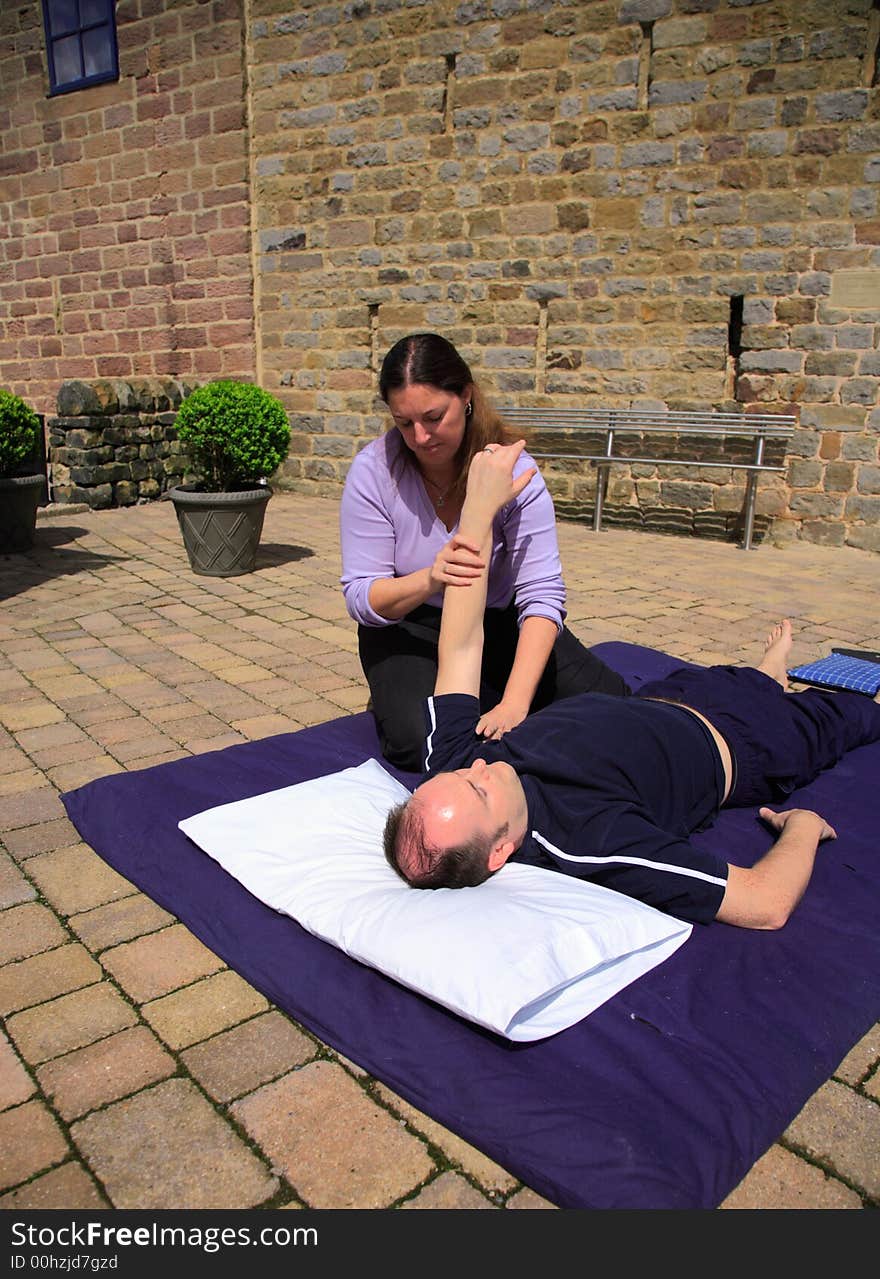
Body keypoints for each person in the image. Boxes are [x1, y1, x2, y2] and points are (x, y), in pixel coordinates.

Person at [383, 439, 880, 929]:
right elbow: (763, 903)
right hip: (751, 740)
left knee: (743, 679)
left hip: (669, 697)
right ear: (499, 851)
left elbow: (463, 645)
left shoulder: (453, 764)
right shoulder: (589, 838)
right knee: (861, 712)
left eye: (458, 776)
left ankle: (768, 674)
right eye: (481, 792)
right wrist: (803, 828)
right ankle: (773, 684)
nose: (479, 767)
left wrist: (478, 511)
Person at [339, 332, 629, 771]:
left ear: (466, 396)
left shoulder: (517, 474)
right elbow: (363, 597)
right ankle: (412, 691)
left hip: (500, 622)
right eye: (404, 423)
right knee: (420, 743)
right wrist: (430, 578)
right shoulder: (373, 471)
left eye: (434, 417)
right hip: (411, 627)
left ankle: (494, 690)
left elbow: (542, 596)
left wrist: (515, 704)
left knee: (616, 711)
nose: (420, 437)